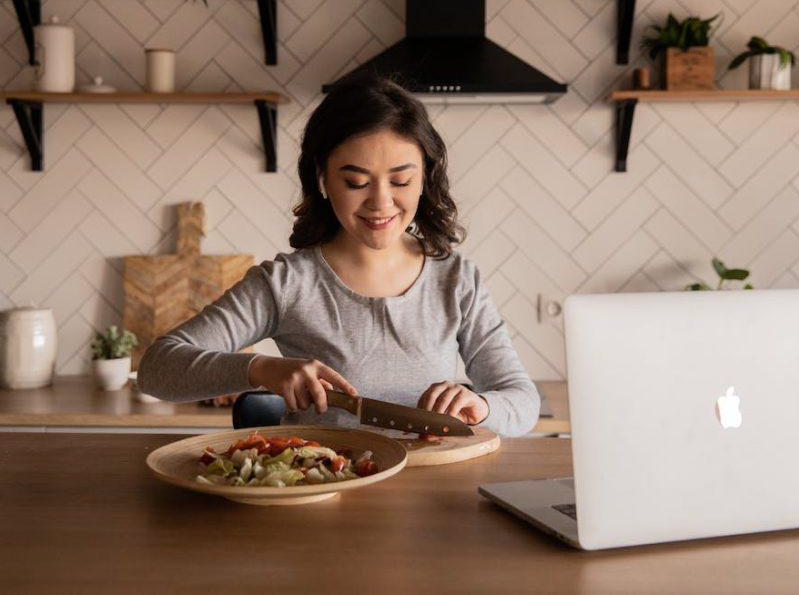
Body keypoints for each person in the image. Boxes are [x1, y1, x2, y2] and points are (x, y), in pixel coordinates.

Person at [137, 77, 540, 437]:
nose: (381, 202)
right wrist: (260, 370)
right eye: (356, 182)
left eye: (401, 180)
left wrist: (483, 407)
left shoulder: (456, 281)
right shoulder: (286, 284)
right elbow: (157, 369)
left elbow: (522, 402)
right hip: (323, 499)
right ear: (322, 178)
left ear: (425, 177)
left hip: (427, 501)